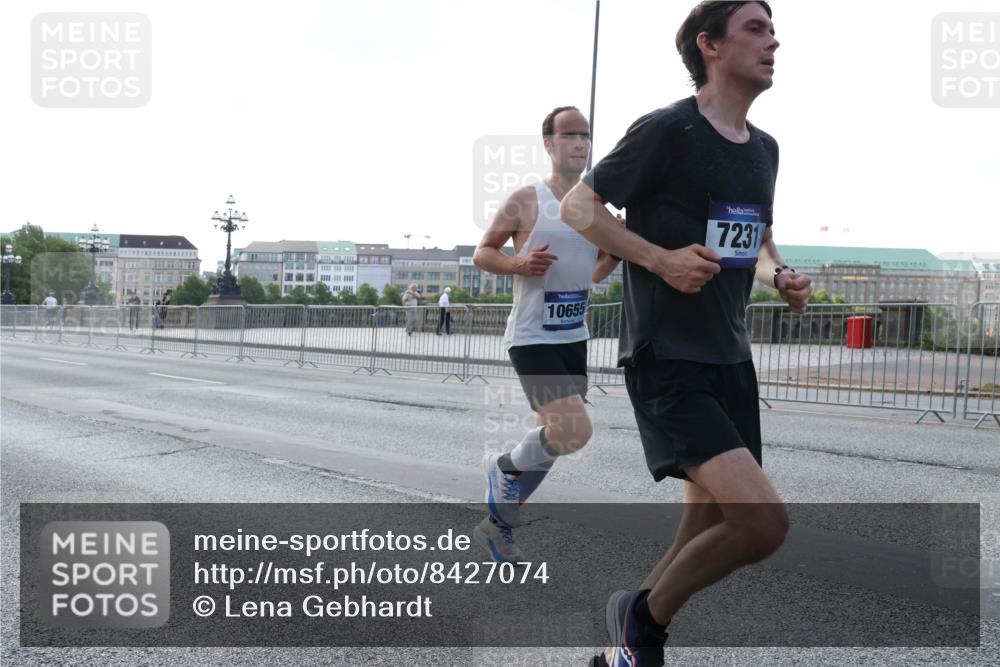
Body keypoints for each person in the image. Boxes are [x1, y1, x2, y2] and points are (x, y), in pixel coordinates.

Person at [560, 3, 813, 665]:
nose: (773, 40)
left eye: (772, 28)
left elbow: (754, 235)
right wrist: (658, 257)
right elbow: (579, 206)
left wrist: (779, 272)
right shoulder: (668, 130)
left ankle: (622, 652)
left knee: (702, 526)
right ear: (709, 45)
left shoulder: (765, 149)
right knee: (761, 522)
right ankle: (640, 620)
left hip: (730, 358)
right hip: (668, 355)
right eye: (755, 28)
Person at [473, 105, 621, 564]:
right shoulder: (526, 200)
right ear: (549, 144)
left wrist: (618, 251)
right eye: (569, 135)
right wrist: (517, 263)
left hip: (573, 335)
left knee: (552, 439)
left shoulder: (595, 207)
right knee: (573, 430)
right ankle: (505, 469)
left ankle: (497, 527)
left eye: (585, 135)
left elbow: (593, 274)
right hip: (533, 336)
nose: (579, 143)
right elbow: (483, 252)